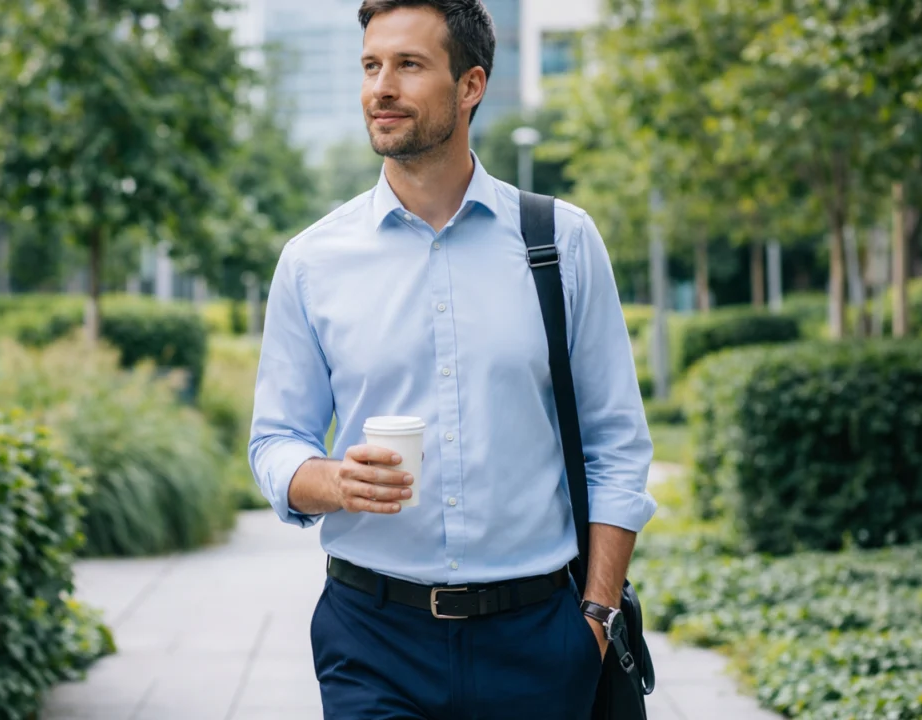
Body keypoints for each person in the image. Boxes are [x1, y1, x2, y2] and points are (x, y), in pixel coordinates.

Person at [247, 1, 657, 718]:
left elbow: (616, 445)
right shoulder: (313, 260)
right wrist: (335, 481)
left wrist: (596, 618)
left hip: (538, 638)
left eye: (409, 65)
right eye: (372, 66)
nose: (381, 87)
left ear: (471, 86)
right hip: (372, 639)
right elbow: (275, 442)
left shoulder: (562, 241)